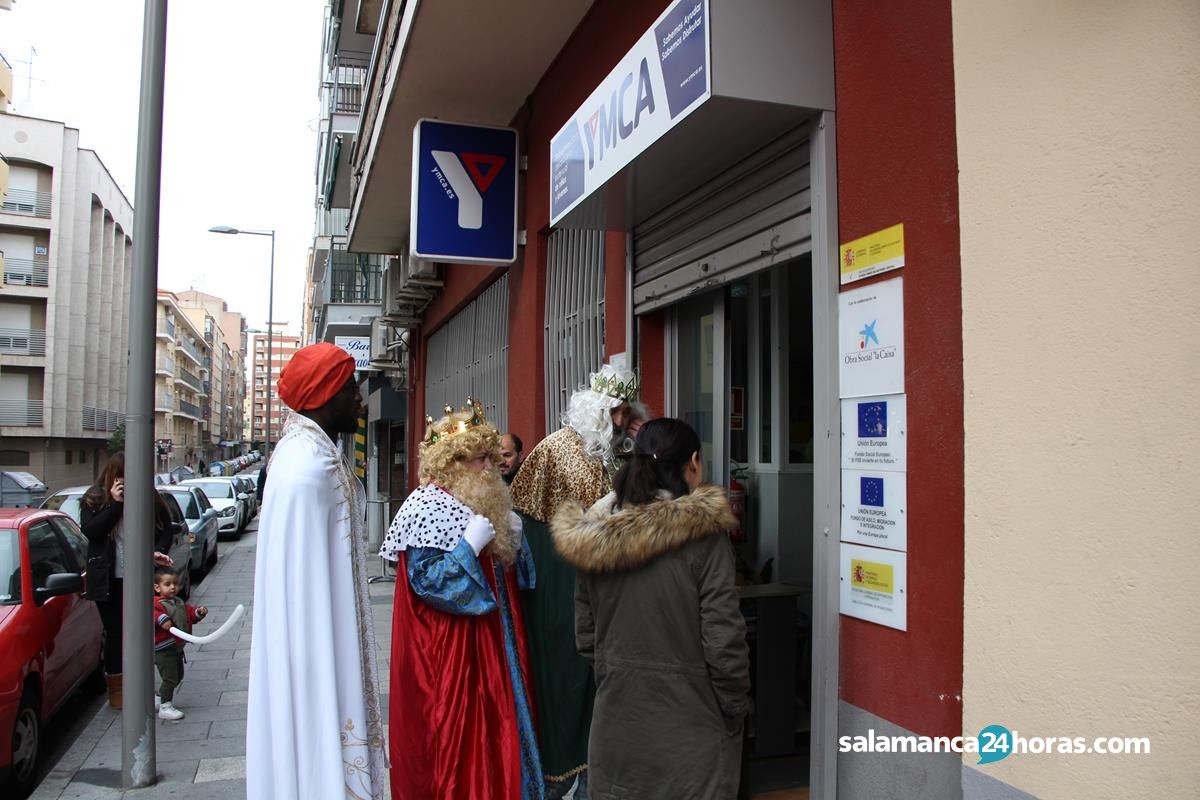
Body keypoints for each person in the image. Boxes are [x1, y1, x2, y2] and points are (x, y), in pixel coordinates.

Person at [550, 418, 750, 799]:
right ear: (693, 463)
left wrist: (619, 678)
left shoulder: (593, 536)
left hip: (616, 729)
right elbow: (724, 643)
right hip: (693, 734)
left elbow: (586, 638)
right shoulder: (704, 536)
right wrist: (733, 708)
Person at [380, 399, 543, 799]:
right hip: (454, 655)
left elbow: (515, 584)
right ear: (451, 462)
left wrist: (516, 547)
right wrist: (467, 550)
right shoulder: (426, 505)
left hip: (496, 648)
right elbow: (428, 582)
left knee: (503, 732)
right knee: (464, 745)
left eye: (490, 457)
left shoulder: (483, 499)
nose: (489, 467)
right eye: (479, 459)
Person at [246, 342, 386, 800]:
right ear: (325, 395)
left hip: (328, 639)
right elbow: (303, 593)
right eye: (351, 389)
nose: (360, 400)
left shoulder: (316, 455)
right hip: (312, 653)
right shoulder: (306, 467)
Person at [509, 364, 643, 798]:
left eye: (627, 413)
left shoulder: (624, 453)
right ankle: (557, 774)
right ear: (599, 409)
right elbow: (530, 534)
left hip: (613, 590)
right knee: (564, 680)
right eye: (618, 413)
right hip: (560, 589)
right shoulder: (554, 450)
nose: (622, 422)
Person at [80, 452, 175, 709]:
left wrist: (156, 552)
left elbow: (166, 528)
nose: (129, 482)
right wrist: (115, 504)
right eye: (124, 477)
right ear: (113, 475)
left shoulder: (148, 496)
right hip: (108, 580)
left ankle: (145, 685)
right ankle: (118, 692)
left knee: (142, 632)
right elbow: (92, 532)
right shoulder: (95, 498)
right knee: (115, 634)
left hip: (140, 577)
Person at [152, 567, 207, 721]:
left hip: (176, 647)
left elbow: (188, 613)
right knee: (170, 677)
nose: (172, 587)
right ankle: (165, 705)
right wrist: (161, 619)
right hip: (163, 648)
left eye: (175, 584)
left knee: (177, 676)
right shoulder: (156, 603)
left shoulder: (178, 602)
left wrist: (198, 612)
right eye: (167, 584)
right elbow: (154, 614)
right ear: (157, 587)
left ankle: (159, 698)